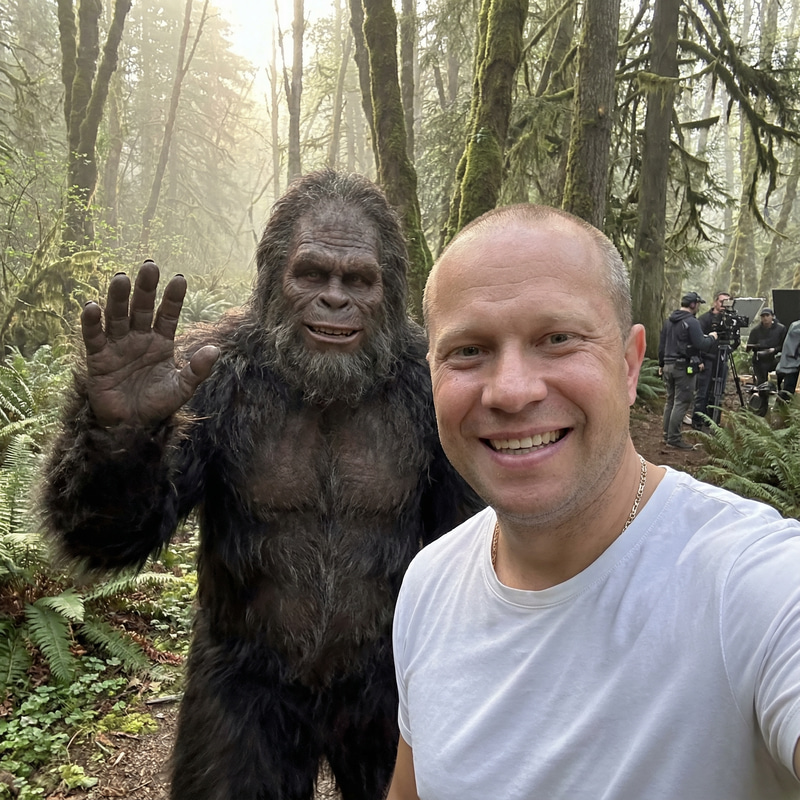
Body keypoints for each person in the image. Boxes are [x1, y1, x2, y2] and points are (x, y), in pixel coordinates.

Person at [43, 171, 480, 800]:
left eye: (358, 280)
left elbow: (471, 554)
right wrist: (116, 438)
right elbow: (106, 543)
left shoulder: (427, 384)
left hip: (397, 675)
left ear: (391, 292)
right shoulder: (214, 373)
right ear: (273, 281)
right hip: (242, 678)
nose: (335, 299)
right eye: (313, 275)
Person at [386, 204, 800, 800]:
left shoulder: (746, 583)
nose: (510, 391)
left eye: (557, 339)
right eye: (468, 351)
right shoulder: (428, 584)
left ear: (630, 365)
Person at [658, 291, 717, 449]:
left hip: (668, 366)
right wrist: (712, 337)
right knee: (681, 402)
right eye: (698, 304)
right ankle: (674, 439)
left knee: (670, 401)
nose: (698, 307)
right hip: (683, 367)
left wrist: (661, 364)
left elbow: (662, 345)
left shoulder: (669, 321)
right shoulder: (691, 322)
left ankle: (667, 434)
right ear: (693, 305)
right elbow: (701, 344)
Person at [692, 290, 731, 429]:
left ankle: (713, 421)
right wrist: (699, 359)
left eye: (727, 302)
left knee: (718, 392)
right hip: (707, 359)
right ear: (715, 302)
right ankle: (697, 420)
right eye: (722, 302)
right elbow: (697, 342)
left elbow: (734, 341)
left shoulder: (729, 321)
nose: (724, 305)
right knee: (702, 391)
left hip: (721, 360)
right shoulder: (704, 320)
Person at [747, 308, 787, 386]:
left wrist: (774, 350)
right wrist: (756, 347)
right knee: (761, 380)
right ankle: (762, 391)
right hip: (761, 357)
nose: (765, 318)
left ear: (772, 316)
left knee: (782, 368)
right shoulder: (755, 331)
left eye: (767, 315)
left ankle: (780, 389)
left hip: (775, 356)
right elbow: (750, 345)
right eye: (763, 316)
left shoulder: (781, 329)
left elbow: (784, 345)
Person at [777, 318, 800, 398]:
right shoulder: (797, 327)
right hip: (792, 366)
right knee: (788, 395)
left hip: (792, 365)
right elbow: (792, 351)